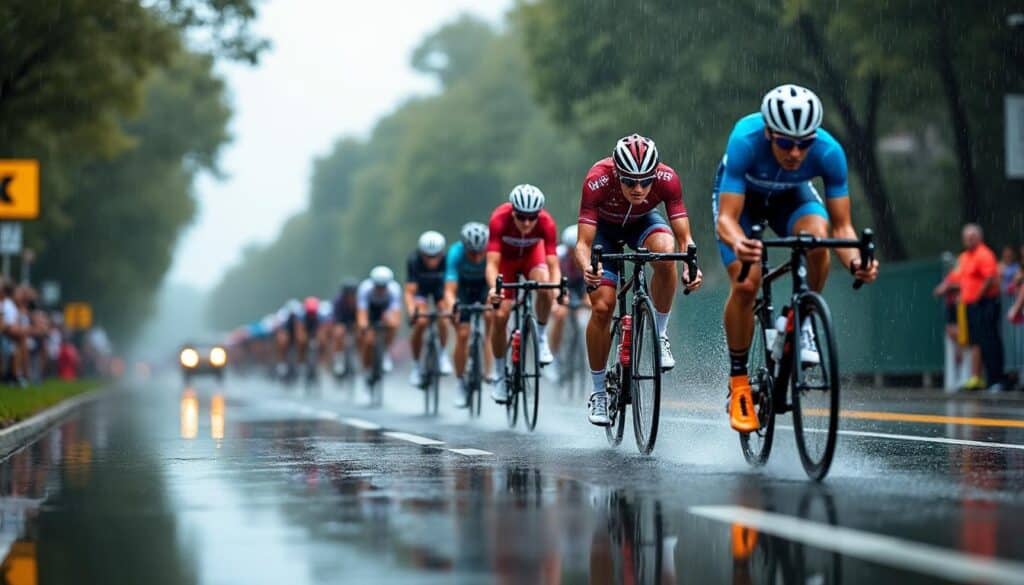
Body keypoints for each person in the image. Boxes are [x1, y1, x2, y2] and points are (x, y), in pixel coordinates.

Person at [714, 84, 878, 432]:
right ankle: (739, 381)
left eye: (804, 143)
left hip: (792, 197)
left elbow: (843, 228)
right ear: (770, 132)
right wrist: (741, 243)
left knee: (817, 241)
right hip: (744, 202)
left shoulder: (829, 151)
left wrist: (855, 262)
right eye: (786, 143)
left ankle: (800, 321)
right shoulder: (745, 139)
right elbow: (726, 219)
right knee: (746, 283)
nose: (795, 152)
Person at [575, 134, 703, 426]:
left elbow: (685, 238)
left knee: (667, 253)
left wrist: (690, 267)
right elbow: (583, 243)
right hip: (604, 234)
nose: (638, 188)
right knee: (603, 308)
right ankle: (598, 393)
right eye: (630, 182)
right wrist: (587, 267)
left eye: (645, 181)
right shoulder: (597, 179)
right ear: (617, 172)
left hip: (642, 223)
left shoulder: (667, 179)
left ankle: (659, 334)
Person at [486, 184, 561, 404]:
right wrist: (494, 288)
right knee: (500, 316)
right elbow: (492, 263)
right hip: (506, 263)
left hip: (531, 258)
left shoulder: (547, 222)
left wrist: (555, 288)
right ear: (512, 212)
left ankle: (540, 335)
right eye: (521, 217)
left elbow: (553, 263)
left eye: (532, 217)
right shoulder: (499, 219)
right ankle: (499, 374)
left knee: (545, 288)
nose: (527, 223)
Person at [444, 222, 493, 408]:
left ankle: (489, 372)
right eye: (472, 253)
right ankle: (460, 382)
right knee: (463, 334)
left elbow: (496, 281)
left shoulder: (491, 252)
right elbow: (449, 289)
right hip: (462, 290)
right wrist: (453, 306)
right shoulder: (455, 253)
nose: (477, 256)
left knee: (491, 318)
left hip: (484, 288)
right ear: (464, 247)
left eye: (481, 252)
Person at [957, 224, 1005, 391]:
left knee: (990, 341)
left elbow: (990, 277)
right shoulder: (964, 257)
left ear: (979, 237)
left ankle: (997, 379)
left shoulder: (984, 254)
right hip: (971, 305)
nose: (970, 240)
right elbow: (961, 278)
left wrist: (977, 296)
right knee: (978, 342)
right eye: (967, 237)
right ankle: (980, 378)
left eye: (973, 237)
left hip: (986, 302)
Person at [406, 230, 453, 387]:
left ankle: (442, 354)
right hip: (421, 291)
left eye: (436, 256)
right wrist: (412, 310)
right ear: (421, 253)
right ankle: (416, 365)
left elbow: (449, 288)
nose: (432, 260)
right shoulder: (414, 261)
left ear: (441, 253)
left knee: (444, 316)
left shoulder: (447, 260)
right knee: (421, 322)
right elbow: (410, 291)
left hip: (440, 290)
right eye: (428, 256)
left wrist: (450, 308)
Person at [548, 225, 589, 380]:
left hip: (580, 286)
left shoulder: (587, 256)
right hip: (563, 284)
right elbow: (553, 279)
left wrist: (587, 300)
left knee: (585, 319)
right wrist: (556, 300)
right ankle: (554, 356)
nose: (574, 253)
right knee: (559, 314)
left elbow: (590, 284)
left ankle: (585, 357)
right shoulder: (559, 256)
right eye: (571, 249)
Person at [356, 266, 402, 381]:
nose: (380, 289)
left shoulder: (394, 289)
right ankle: (366, 368)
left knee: (393, 326)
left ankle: (385, 351)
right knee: (368, 341)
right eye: (378, 286)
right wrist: (364, 325)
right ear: (373, 283)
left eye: (383, 286)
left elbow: (396, 312)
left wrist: (392, 321)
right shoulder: (365, 288)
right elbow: (362, 312)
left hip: (385, 312)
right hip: (370, 313)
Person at [331, 279, 359, 377]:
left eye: (353, 294)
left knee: (361, 332)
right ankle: (339, 358)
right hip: (341, 322)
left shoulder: (359, 301)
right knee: (339, 333)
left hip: (355, 322)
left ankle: (357, 355)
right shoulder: (338, 302)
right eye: (348, 295)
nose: (351, 297)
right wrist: (339, 326)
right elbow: (335, 318)